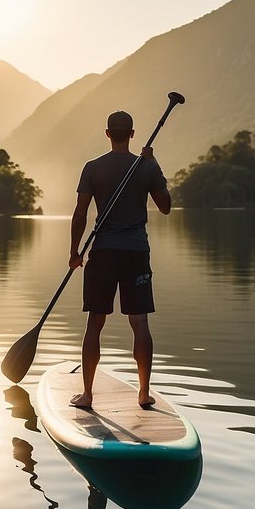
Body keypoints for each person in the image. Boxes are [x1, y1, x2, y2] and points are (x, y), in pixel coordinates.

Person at [69, 110, 171, 410]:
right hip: (136, 252)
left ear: (107, 133)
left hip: (103, 252)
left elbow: (80, 213)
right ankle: (143, 393)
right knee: (140, 323)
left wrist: (75, 252)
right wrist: (153, 163)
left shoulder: (93, 168)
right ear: (132, 134)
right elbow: (165, 206)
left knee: (94, 323)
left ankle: (87, 395)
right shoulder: (146, 168)